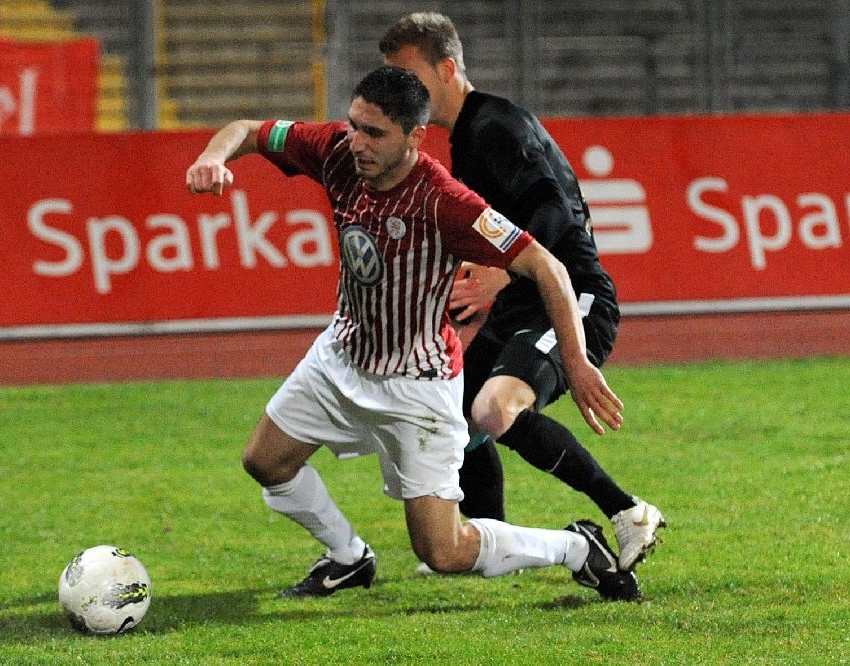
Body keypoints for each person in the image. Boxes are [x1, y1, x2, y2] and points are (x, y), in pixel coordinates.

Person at [185, 65, 640, 601]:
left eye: (375, 133)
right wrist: (212, 158)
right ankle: (349, 557)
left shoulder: (444, 201)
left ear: (414, 138)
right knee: (264, 460)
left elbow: (548, 267)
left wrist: (579, 361)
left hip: (417, 384)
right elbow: (248, 129)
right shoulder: (334, 150)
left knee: (443, 552)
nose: (358, 142)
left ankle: (576, 548)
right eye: (355, 125)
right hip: (342, 355)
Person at [380, 12, 665, 571]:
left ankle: (628, 511)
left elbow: (556, 216)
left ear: (447, 69)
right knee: (452, 416)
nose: (400, 91)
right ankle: (489, 540)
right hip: (521, 306)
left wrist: (504, 274)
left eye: (408, 76)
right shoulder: (469, 137)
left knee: (492, 410)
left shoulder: (496, 130)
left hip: (573, 298)